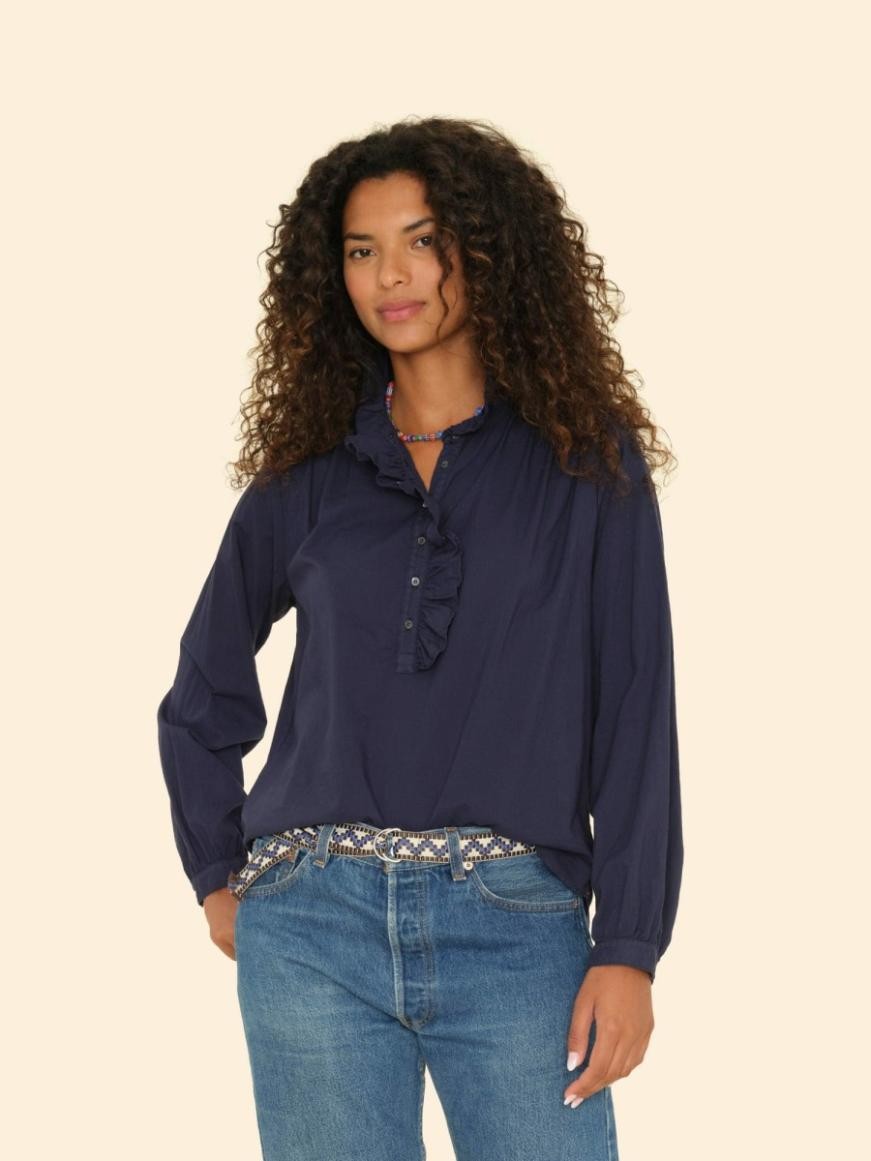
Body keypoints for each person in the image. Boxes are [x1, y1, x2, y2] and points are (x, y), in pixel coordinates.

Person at [156, 115, 683, 1161]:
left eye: (422, 240)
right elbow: (202, 690)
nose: (389, 274)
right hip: (310, 921)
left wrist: (629, 945)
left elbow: (635, 710)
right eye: (361, 249)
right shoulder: (308, 473)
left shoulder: (586, 464)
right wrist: (218, 872)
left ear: (487, 254)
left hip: (516, 920)